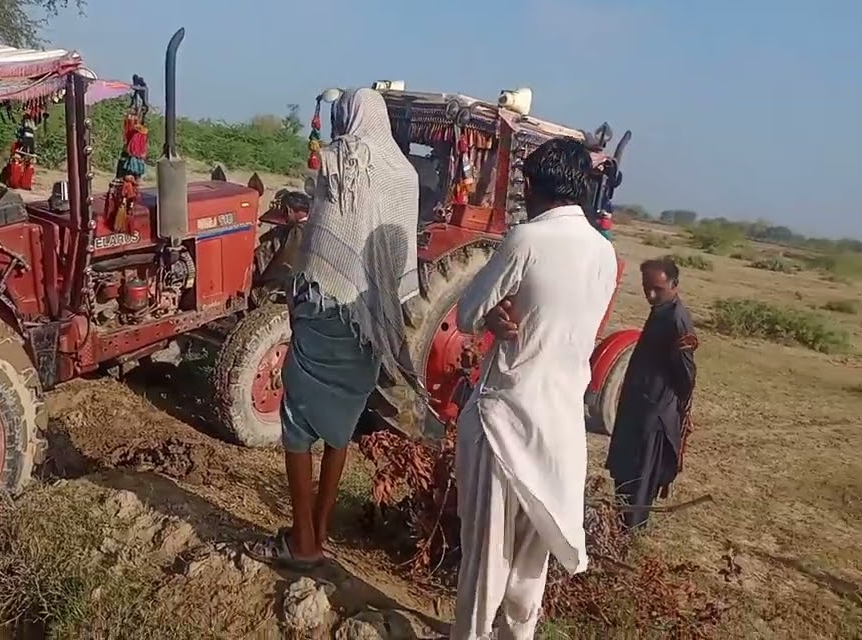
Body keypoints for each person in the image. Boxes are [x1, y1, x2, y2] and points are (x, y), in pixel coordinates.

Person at [244, 87, 420, 569]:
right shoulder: (406, 175)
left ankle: (301, 542)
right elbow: (400, 258)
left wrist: (297, 301)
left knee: (298, 423)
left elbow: (321, 237)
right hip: (371, 324)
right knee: (340, 428)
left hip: (328, 309)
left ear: (348, 116)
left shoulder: (341, 158)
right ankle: (318, 532)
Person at [451, 137, 619, 640]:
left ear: (530, 185)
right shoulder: (604, 254)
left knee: (485, 563)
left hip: (507, 419)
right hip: (560, 427)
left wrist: (495, 316)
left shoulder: (526, 240)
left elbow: (465, 314)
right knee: (529, 568)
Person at [606, 257, 698, 531]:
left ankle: (630, 534)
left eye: (658, 288)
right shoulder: (660, 309)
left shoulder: (677, 320)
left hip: (654, 416)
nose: (651, 294)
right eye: (647, 288)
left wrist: (672, 411)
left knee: (641, 478)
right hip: (638, 408)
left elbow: (686, 376)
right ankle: (619, 528)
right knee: (625, 471)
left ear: (674, 285)